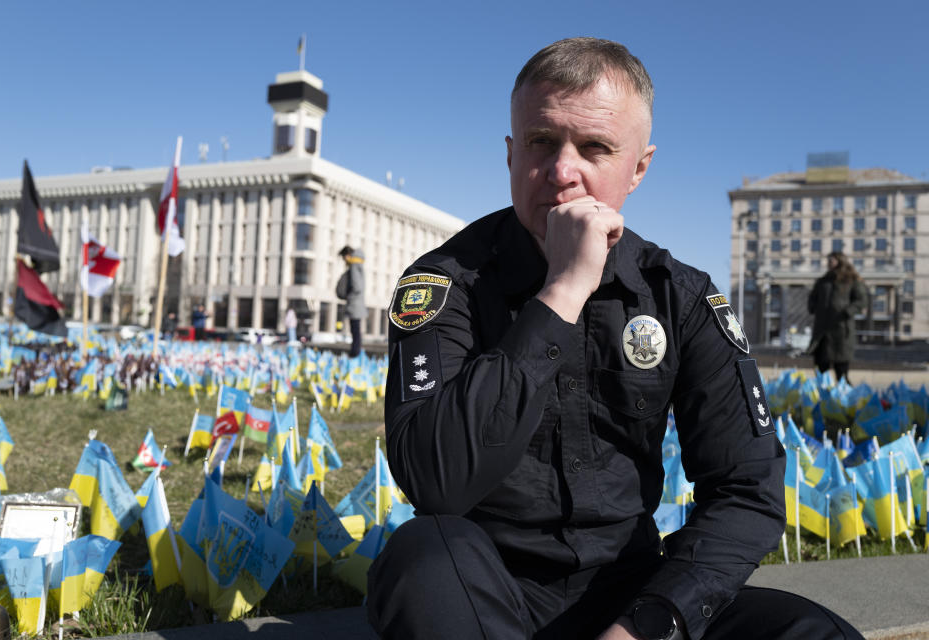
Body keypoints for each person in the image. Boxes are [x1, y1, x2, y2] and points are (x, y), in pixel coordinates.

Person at [369, 38, 863, 640]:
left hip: (634, 597)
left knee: (811, 631)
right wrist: (562, 292)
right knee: (421, 554)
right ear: (510, 153)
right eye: (541, 142)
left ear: (639, 167)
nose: (561, 172)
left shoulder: (677, 294)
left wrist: (650, 624)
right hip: (485, 591)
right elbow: (434, 479)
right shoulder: (448, 281)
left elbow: (747, 488)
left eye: (595, 147)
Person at [808, 251, 868, 383]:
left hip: (841, 332)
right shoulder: (822, 281)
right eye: (828, 260)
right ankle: (822, 400)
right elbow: (812, 298)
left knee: (841, 373)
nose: (829, 263)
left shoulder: (851, 280)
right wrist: (813, 307)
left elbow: (861, 300)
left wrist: (847, 312)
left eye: (832, 260)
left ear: (840, 261)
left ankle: (844, 401)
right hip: (822, 332)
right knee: (820, 372)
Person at [335, 245, 366, 357]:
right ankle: (355, 351)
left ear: (347, 256)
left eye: (344, 258)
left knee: (355, 330)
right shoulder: (358, 264)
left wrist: (349, 296)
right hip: (357, 303)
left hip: (354, 304)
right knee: (356, 330)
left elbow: (357, 286)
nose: (344, 261)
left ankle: (355, 353)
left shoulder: (354, 266)